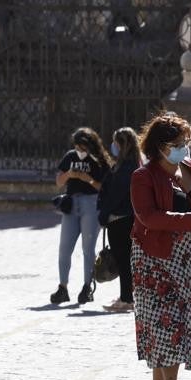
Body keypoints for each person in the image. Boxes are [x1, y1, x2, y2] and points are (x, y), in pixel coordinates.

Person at [130, 113, 191, 380]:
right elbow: (148, 216)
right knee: (164, 321)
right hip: (155, 257)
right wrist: (189, 220)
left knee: (183, 318)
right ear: (159, 146)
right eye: (178, 143)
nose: (185, 147)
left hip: (190, 256)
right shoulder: (143, 176)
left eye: (187, 141)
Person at [50, 127, 111, 305]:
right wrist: (69, 174)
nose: (80, 151)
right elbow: (59, 181)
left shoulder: (99, 160)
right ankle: (63, 287)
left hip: (91, 204)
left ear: (91, 146)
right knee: (64, 248)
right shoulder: (70, 157)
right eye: (77, 147)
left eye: (83, 147)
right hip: (71, 203)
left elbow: (104, 188)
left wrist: (89, 180)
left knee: (88, 249)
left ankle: (87, 287)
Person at [99, 127, 140, 313]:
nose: (113, 146)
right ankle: (126, 295)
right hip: (124, 218)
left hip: (120, 218)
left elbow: (115, 195)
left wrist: (104, 214)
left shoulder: (126, 168)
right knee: (125, 260)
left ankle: (127, 299)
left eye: (116, 143)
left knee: (123, 260)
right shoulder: (127, 164)